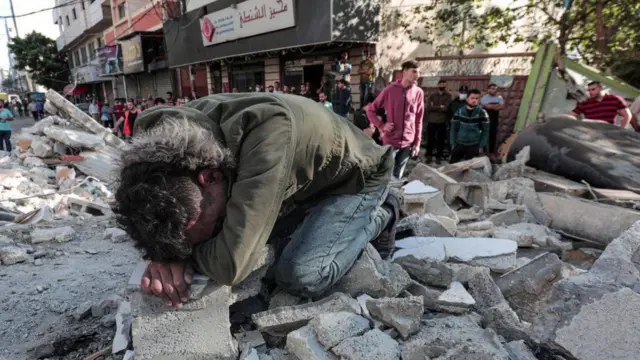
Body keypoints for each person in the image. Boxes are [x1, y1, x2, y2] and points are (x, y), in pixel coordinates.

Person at [113, 93, 402, 307]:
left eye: (198, 231)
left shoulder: (267, 139)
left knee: (301, 274)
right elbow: (147, 209)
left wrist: (182, 259)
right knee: (267, 245)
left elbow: (231, 265)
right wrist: (164, 252)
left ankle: (384, 210)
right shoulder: (153, 147)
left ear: (211, 177)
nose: (194, 245)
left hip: (357, 176)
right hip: (302, 174)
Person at [366, 60, 424, 179]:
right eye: (414, 71)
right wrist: (381, 126)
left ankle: (394, 196)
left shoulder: (418, 92)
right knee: (386, 175)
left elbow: (419, 119)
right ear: (404, 72)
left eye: (419, 72)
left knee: (398, 176)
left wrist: (417, 143)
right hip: (391, 141)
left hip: (408, 142)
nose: (417, 75)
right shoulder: (390, 90)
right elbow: (371, 110)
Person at [450, 89, 490, 163]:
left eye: (477, 98)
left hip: (474, 145)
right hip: (459, 143)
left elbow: (486, 131)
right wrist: (452, 143)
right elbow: (453, 128)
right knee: (453, 165)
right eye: (472, 98)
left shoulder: (482, 113)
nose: (474, 100)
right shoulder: (459, 111)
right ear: (467, 99)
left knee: (469, 168)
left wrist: (481, 146)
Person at [425, 80, 453, 165]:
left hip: (442, 121)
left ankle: (438, 156)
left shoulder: (448, 96)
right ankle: (429, 155)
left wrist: (435, 107)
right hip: (431, 120)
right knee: (430, 139)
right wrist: (440, 107)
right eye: (441, 84)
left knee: (440, 140)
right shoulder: (432, 95)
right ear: (438, 85)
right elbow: (428, 107)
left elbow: (446, 109)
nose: (442, 86)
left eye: (444, 85)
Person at [480, 83, 505, 155]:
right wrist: (497, 105)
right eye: (493, 88)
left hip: (494, 120)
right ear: (488, 89)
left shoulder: (499, 97)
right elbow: (487, 107)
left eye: (496, 89)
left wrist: (492, 106)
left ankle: (491, 153)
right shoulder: (484, 98)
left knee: (493, 136)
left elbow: (502, 107)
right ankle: (483, 152)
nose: (495, 90)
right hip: (485, 120)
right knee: (484, 136)